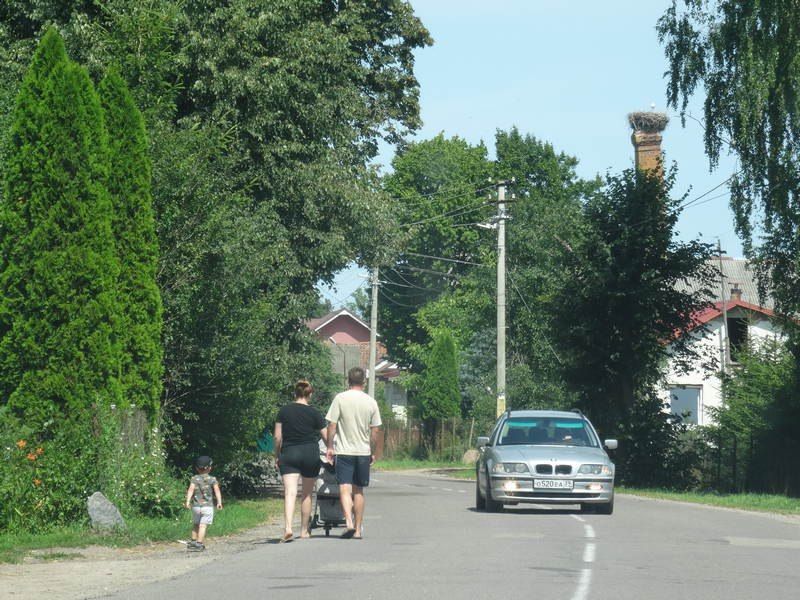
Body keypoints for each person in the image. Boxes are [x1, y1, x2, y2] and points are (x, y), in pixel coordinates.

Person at [325, 366, 382, 539]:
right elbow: (376, 430)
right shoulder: (371, 402)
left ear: (348, 381)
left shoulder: (340, 399)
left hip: (344, 451)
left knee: (344, 487)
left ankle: (348, 522)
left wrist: (329, 446)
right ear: (363, 382)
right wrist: (372, 450)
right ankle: (357, 530)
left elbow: (332, 425)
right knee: (359, 491)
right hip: (362, 452)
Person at [274, 379, 328, 542]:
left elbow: (277, 437)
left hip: (290, 453)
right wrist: (331, 451)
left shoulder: (284, 411)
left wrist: (277, 455)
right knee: (306, 494)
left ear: (294, 393)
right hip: (310, 454)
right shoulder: (315, 413)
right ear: (310, 394)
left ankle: (288, 528)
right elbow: (325, 437)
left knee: (290, 492)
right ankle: (304, 530)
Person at [184, 455, 223, 552]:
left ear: (197, 468)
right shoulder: (212, 479)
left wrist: (188, 501)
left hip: (196, 506)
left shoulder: (194, 478)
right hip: (207, 507)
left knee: (196, 524)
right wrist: (219, 502)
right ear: (210, 468)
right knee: (203, 525)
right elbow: (217, 491)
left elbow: (190, 490)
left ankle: (193, 541)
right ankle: (199, 543)